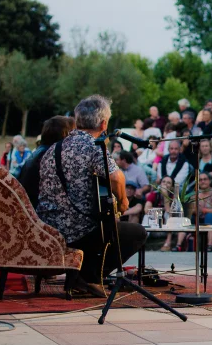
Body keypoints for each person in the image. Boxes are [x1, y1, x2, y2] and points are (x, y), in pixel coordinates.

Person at [37, 95, 147, 296]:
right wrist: (122, 203)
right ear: (104, 123)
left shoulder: (54, 148)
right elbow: (117, 178)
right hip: (77, 231)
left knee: (101, 223)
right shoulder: (94, 147)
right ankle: (89, 276)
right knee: (137, 232)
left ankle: (83, 273)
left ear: (77, 120)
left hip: (47, 227)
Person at [18, 116, 76, 208]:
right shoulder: (50, 157)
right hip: (37, 213)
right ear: (64, 134)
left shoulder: (40, 152)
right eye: (72, 133)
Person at [144, 176, 185, 252]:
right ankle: (141, 241)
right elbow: (146, 210)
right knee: (147, 216)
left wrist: (165, 194)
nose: (165, 184)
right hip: (155, 228)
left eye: (168, 183)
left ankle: (168, 243)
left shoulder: (174, 197)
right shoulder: (154, 194)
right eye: (164, 182)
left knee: (169, 215)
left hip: (170, 229)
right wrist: (159, 211)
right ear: (160, 184)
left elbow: (169, 211)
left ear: (172, 187)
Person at [187, 172, 212, 251]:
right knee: (188, 216)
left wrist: (203, 210)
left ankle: (210, 244)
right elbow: (192, 209)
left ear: (210, 181)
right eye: (200, 180)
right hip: (197, 217)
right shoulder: (195, 194)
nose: (202, 181)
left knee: (210, 215)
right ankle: (180, 244)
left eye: (205, 179)